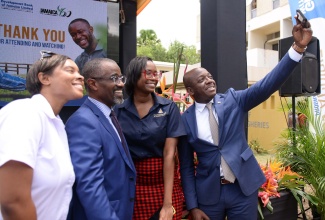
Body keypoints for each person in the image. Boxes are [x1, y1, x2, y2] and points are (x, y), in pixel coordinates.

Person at [178, 18, 313, 220]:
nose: (209, 80)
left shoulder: (233, 100)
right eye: (201, 80)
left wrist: (297, 48)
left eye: (209, 76)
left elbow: (267, 84)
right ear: (190, 91)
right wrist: (193, 206)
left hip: (242, 190)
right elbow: (187, 167)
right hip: (208, 196)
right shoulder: (185, 120)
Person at [0, 50, 84, 219]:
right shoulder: (24, 113)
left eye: (79, 71)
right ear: (45, 78)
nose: (80, 76)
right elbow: (13, 201)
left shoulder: (56, 123)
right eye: (70, 70)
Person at [114, 56, 186, 220]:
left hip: (164, 184)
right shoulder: (118, 111)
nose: (154, 77)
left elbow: (169, 154)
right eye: (149, 73)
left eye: (156, 74)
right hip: (132, 184)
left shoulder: (168, 108)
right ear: (134, 75)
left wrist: (167, 204)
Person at [65, 58, 136, 220]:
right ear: (93, 84)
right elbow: (90, 185)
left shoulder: (109, 116)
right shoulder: (84, 121)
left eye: (121, 78)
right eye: (114, 78)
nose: (121, 84)